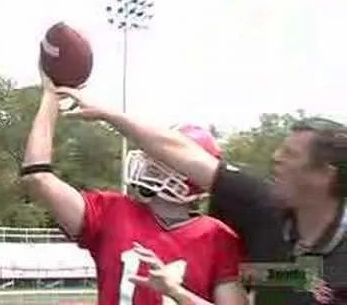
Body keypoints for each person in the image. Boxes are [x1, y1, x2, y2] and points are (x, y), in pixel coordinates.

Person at [55, 86, 347, 305]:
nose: (276, 158)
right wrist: (109, 114)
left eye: (290, 155)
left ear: (325, 175)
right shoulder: (263, 207)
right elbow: (182, 153)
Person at [20, 72, 248, 305]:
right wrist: (50, 97)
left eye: (165, 158)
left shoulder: (218, 237)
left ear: (192, 174)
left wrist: (177, 293)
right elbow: (38, 177)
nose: (151, 160)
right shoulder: (112, 212)